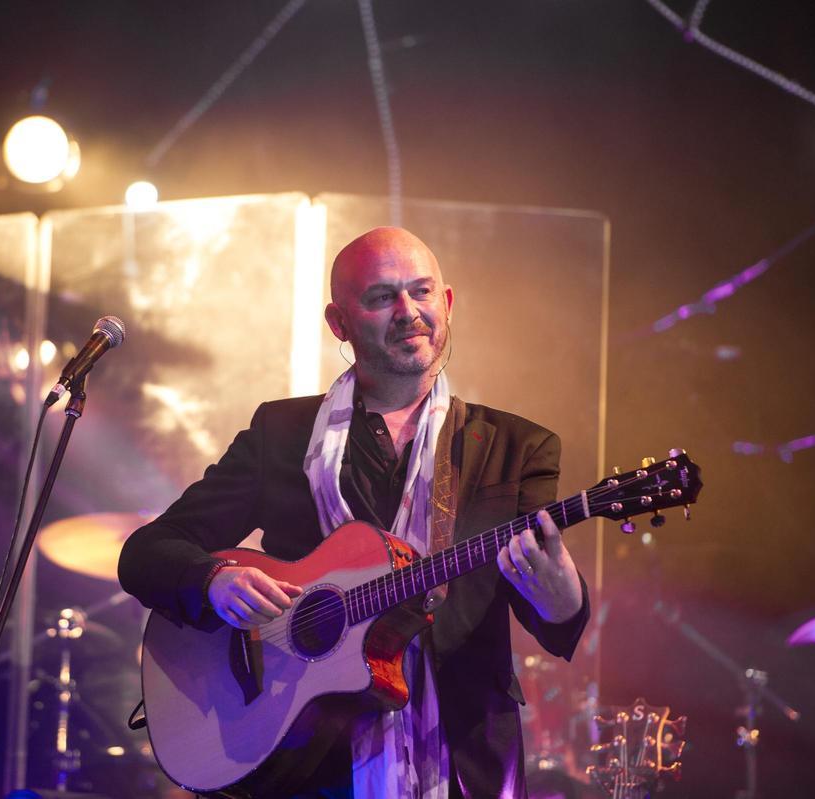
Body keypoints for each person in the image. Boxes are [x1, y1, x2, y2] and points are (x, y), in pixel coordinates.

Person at [118, 226, 589, 798]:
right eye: (381, 297)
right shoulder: (282, 434)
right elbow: (146, 553)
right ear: (338, 322)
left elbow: (555, 621)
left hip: (462, 766)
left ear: (447, 302)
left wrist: (559, 586)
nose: (408, 311)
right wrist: (213, 580)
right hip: (302, 764)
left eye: (421, 292)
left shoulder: (518, 447)